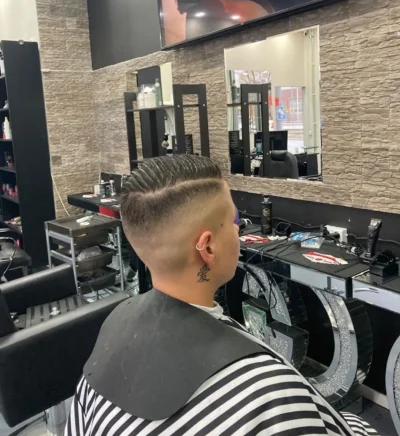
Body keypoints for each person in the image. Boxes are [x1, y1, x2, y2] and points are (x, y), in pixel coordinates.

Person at [66, 155, 377, 436]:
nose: (239, 231)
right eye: (234, 222)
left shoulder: (114, 324)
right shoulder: (267, 391)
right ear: (208, 248)